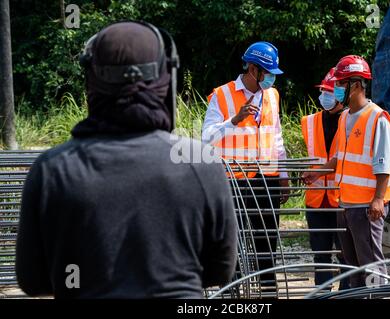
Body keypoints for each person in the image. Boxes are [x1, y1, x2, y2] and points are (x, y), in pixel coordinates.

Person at [16, 21, 238, 299]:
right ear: (166, 80)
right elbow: (219, 271)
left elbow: (32, 280)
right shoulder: (201, 164)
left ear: (91, 83)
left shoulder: (52, 170)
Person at [202, 41, 288, 294]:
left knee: (267, 243)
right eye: (267, 72)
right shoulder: (222, 95)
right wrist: (234, 120)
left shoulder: (272, 95)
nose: (271, 78)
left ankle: (268, 293)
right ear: (252, 69)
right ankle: (232, 295)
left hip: (267, 179)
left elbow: (277, 136)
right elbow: (206, 136)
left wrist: (282, 175)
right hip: (233, 180)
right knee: (232, 243)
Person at [302, 55, 390, 288]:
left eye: (340, 84)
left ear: (356, 84)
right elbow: (340, 158)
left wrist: (377, 199)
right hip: (345, 203)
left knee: (371, 265)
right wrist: (318, 172)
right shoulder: (345, 116)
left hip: (367, 206)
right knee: (352, 267)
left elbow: (383, 164)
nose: (336, 89)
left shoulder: (377, 118)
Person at [301, 67, 349, 290]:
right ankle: (323, 294)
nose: (325, 96)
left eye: (330, 91)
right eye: (323, 91)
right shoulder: (308, 122)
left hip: (341, 199)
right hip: (316, 200)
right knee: (320, 256)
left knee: (346, 256)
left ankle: (347, 294)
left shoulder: (351, 121)